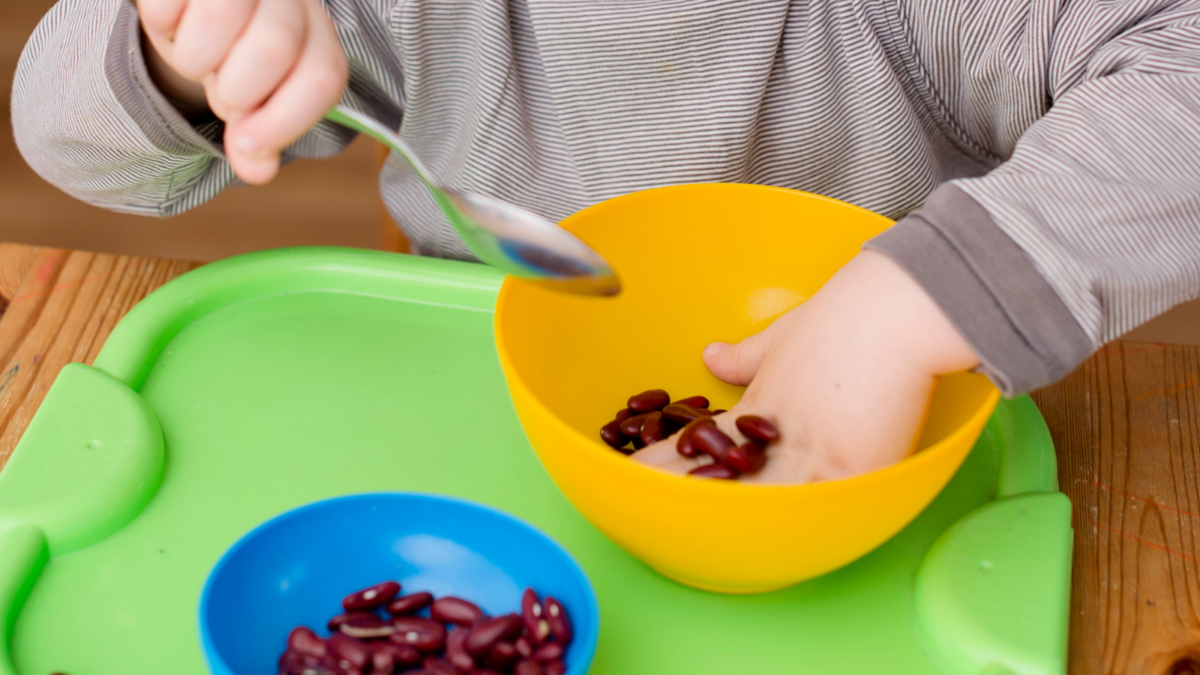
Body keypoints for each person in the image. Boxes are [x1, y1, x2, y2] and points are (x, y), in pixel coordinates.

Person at [13, 0, 1200, 483]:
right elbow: (67, 139)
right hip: (470, 451)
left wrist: (910, 309)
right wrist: (178, 45)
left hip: (884, 467)